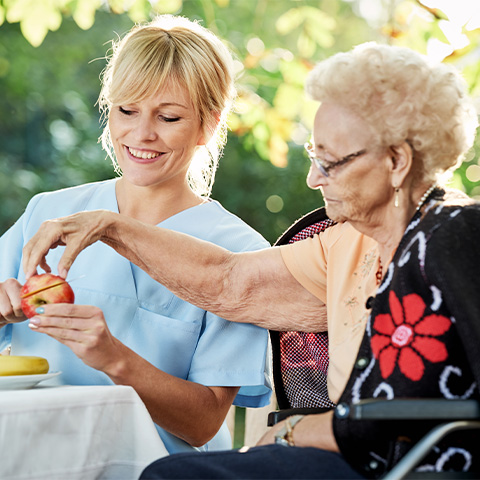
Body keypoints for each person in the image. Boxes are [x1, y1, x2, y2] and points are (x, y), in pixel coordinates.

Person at [21, 42, 480, 478]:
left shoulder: (458, 233)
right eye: (312, 156)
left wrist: (293, 431)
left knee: (170, 476)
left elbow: (393, 410)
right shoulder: (345, 243)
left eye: (331, 162)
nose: (312, 178)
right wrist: (111, 225)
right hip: (352, 456)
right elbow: (228, 282)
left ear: (397, 161)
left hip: (407, 464)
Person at [0, 15, 273, 455]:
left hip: (155, 467)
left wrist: (115, 358)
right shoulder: (48, 214)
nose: (141, 134)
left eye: (168, 117)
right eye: (127, 110)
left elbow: (203, 424)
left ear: (207, 125)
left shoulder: (241, 254)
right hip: (35, 457)